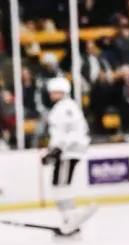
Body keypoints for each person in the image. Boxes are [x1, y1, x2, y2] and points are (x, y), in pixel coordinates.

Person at [41, 77, 96, 236]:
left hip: (67, 151)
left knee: (61, 183)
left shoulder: (63, 108)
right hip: (70, 150)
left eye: (53, 92)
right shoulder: (69, 106)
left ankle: (70, 214)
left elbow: (65, 133)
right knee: (60, 182)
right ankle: (69, 216)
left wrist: (55, 150)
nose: (51, 95)